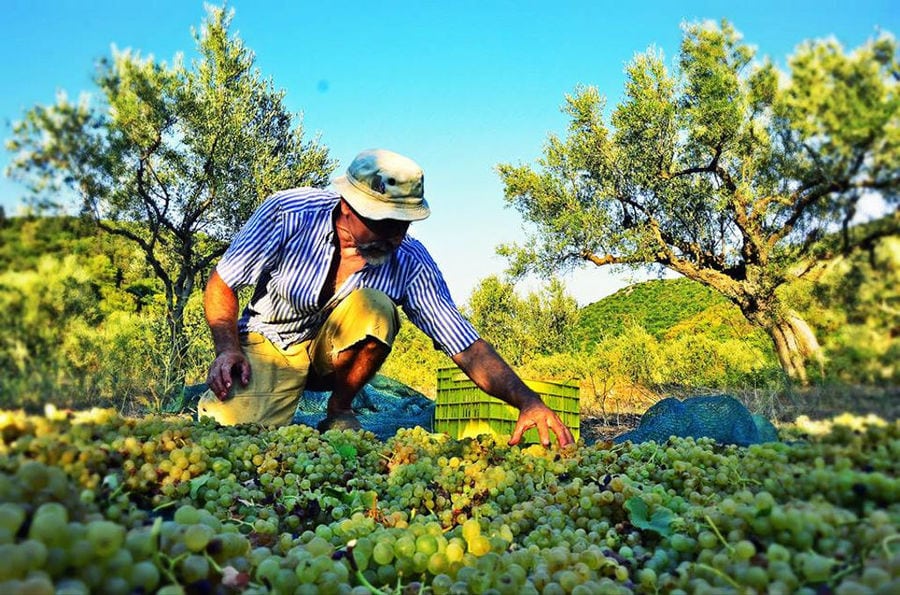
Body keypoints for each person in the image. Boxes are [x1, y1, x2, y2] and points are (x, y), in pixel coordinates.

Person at [199, 148, 575, 448]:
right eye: (383, 224)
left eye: (403, 224)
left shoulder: (410, 261)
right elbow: (222, 283)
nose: (394, 237)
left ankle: (339, 410)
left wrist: (528, 401)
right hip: (270, 343)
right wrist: (228, 349)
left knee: (375, 308)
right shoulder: (290, 213)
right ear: (347, 207)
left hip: (332, 358)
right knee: (232, 435)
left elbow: (466, 345)